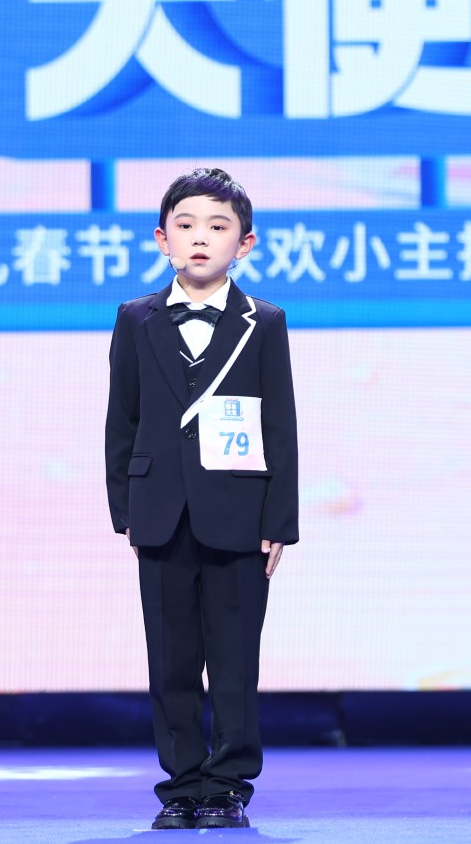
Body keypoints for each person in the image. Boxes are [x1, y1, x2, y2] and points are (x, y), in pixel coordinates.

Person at [105, 167, 299, 831]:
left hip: (239, 512)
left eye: (217, 227)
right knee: (172, 660)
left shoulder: (262, 321)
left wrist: (279, 519)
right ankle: (182, 786)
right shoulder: (136, 318)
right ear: (162, 239)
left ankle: (228, 785)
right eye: (185, 225)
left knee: (235, 660)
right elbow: (122, 418)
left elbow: (280, 425)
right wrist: (127, 511)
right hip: (160, 512)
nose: (199, 237)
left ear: (244, 244)